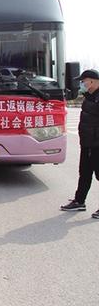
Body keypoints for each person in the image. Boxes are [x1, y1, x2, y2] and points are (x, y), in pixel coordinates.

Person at [61, 69, 99, 218]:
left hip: (97, 144)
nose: (82, 84)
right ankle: (79, 201)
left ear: (92, 81)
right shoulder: (89, 96)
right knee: (84, 173)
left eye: (83, 81)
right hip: (87, 142)